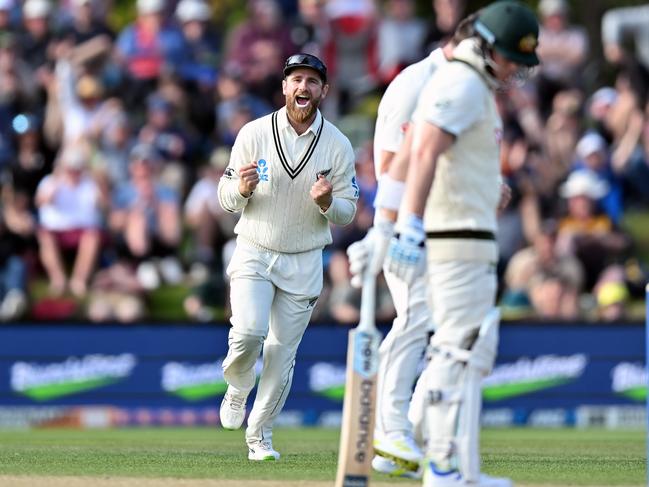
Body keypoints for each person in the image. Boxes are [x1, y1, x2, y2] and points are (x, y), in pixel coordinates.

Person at [383, 2, 540, 486]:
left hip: (467, 238)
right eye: (511, 57)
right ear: (489, 45)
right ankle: (445, 468)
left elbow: (423, 152)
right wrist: (403, 224)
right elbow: (421, 150)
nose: (514, 69)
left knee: (465, 351)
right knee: (458, 352)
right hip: (455, 241)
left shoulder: (469, 82)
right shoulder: (461, 83)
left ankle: (457, 468)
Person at [346, 12, 480, 479]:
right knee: (418, 316)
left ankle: (406, 435)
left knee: (456, 332)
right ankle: (390, 427)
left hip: (453, 226)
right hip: (411, 227)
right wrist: (395, 227)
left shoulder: (469, 87)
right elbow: (390, 163)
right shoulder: (413, 84)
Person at [217, 53, 358, 461]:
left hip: (304, 258)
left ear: (323, 91)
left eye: (312, 82)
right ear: (284, 87)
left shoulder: (337, 144)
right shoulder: (253, 133)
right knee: (247, 334)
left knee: (281, 354)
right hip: (255, 251)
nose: (303, 88)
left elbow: (348, 212)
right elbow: (225, 198)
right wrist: (241, 191)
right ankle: (239, 384)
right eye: (296, 80)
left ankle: (259, 436)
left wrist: (329, 202)